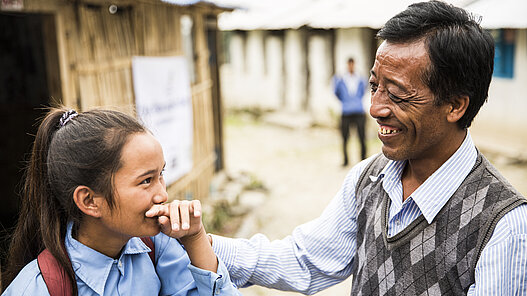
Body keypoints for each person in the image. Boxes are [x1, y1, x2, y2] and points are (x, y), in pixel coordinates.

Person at [209, 1, 527, 295]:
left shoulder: (503, 226)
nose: (375, 108)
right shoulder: (369, 179)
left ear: (455, 105)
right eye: (375, 86)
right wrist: (201, 242)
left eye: (398, 94)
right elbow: (304, 260)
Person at [2, 108, 240, 295]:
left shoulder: (157, 248)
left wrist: (195, 239)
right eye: (146, 181)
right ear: (90, 201)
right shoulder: (38, 288)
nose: (162, 196)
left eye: (161, 175)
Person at [332, 57, 368, 166]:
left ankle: (363, 159)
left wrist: (356, 102)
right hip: (346, 111)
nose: (351, 66)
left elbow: (363, 91)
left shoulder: (360, 79)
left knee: (362, 137)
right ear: (347, 65)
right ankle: (345, 160)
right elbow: (336, 92)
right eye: (349, 64)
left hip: (358, 110)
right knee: (345, 137)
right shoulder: (341, 79)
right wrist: (345, 102)